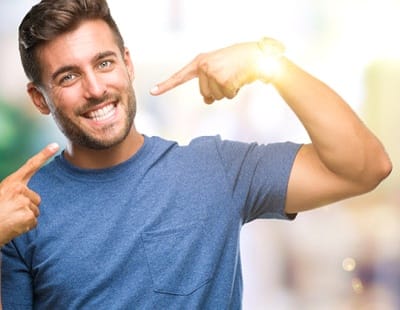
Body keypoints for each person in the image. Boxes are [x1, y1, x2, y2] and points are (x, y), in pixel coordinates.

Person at [0, 0, 391, 308]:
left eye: (104, 63)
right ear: (39, 98)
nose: (96, 88)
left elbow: (365, 168)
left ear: (128, 64)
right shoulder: (21, 213)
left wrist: (272, 67)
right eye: (68, 76)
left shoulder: (214, 171)